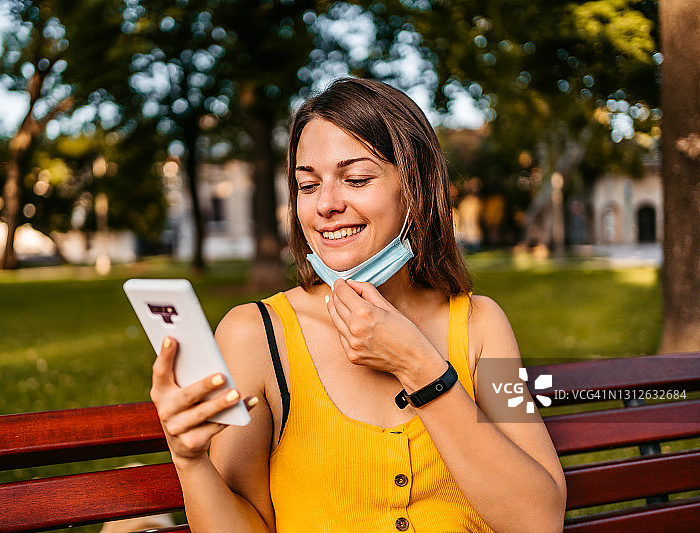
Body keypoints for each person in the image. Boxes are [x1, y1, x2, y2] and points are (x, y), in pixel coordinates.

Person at [150, 77, 567, 532]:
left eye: (356, 179)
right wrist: (189, 462)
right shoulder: (256, 335)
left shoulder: (482, 324)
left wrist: (420, 368)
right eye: (307, 186)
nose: (326, 204)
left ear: (416, 189)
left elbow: (538, 520)